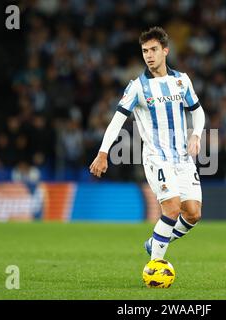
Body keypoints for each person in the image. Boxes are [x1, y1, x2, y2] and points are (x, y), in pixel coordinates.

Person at [89, 27, 205, 261]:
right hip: (156, 158)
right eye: (144, 51)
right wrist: (103, 153)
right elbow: (116, 122)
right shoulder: (137, 87)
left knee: (192, 213)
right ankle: (156, 265)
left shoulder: (182, 81)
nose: (149, 55)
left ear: (165, 51)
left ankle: (156, 241)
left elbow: (198, 111)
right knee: (171, 208)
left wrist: (196, 135)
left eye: (153, 50)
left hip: (183, 158)